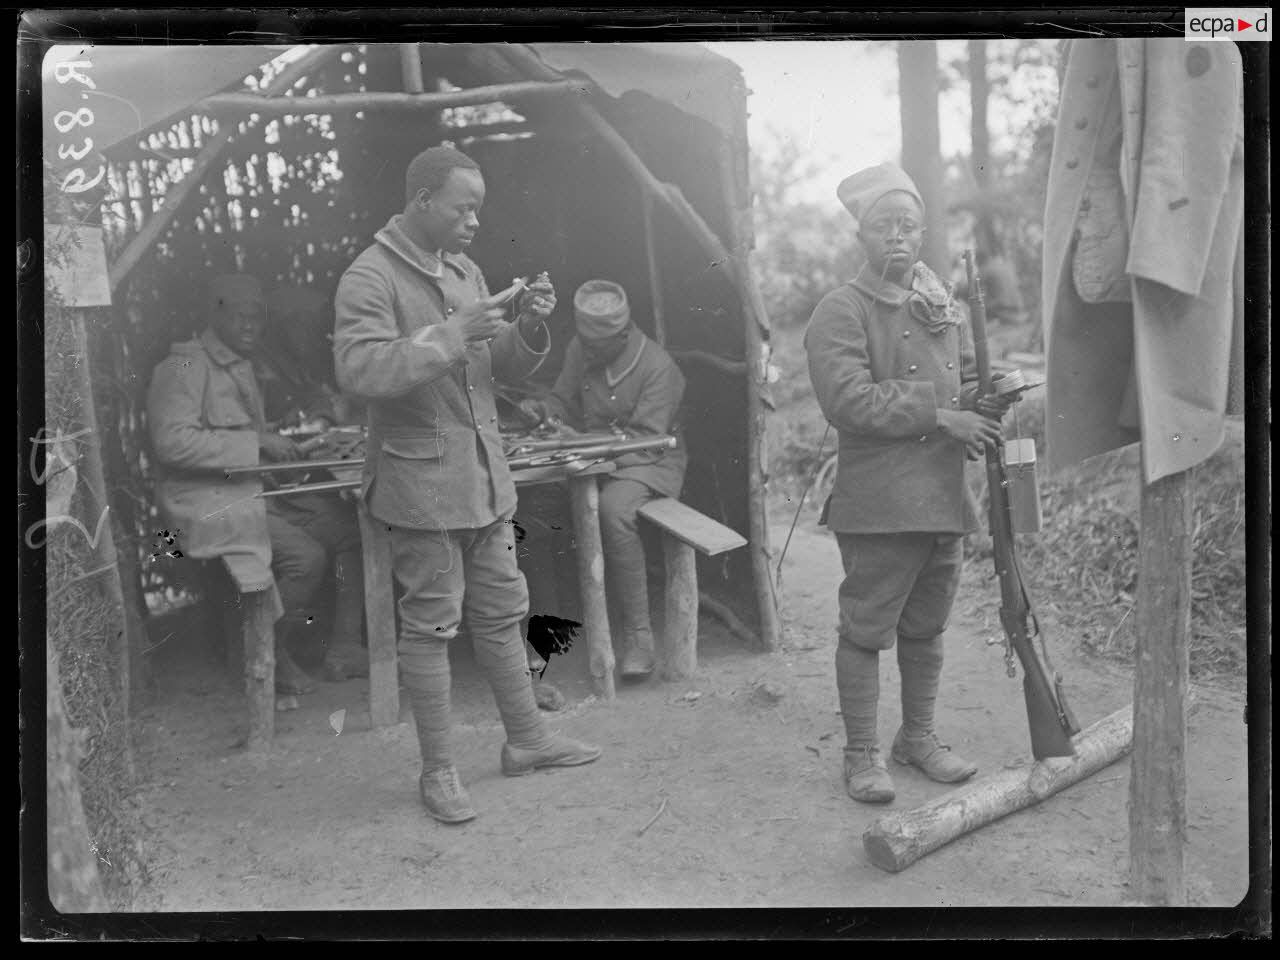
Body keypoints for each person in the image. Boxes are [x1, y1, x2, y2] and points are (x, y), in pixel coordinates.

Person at [333, 144, 601, 825]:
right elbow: (361, 372)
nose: (475, 220)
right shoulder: (370, 277)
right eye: (463, 207)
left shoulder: (464, 269)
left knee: (504, 611)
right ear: (421, 201)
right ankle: (439, 771)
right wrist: (450, 332)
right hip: (420, 487)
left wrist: (527, 325)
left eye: (479, 208)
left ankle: (529, 740)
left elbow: (492, 367)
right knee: (429, 625)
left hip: (484, 480)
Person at [804, 163, 1012, 804]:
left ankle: (916, 738)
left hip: (945, 497)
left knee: (927, 627)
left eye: (908, 226)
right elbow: (848, 400)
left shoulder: (939, 304)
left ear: (922, 232)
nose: (897, 238)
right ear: (860, 236)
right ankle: (862, 754)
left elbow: (970, 374)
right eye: (882, 226)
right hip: (881, 503)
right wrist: (942, 415)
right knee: (866, 628)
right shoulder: (842, 310)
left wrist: (995, 388)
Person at [147, 273, 360, 695]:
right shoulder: (184, 366)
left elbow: (240, 436)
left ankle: (345, 647)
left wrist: (285, 438)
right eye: (238, 315)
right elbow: (172, 444)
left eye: (257, 317)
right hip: (205, 500)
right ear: (214, 314)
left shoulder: (241, 364)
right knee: (305, 558)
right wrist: (257, 442)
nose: (250, 326)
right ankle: (267, 655)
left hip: (250, 489)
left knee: (350, 535)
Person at [519, 279, 687, 680]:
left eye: (598, 346)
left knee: (613, 510)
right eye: (585, 343)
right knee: (533, 508)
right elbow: (562, 400)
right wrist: (542, 411)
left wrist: (582, 444)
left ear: (623, 333)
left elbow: (647, 441)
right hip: (591, 456)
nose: (588, 352)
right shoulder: (583, 347)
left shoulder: (658, 366)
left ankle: (639, 639)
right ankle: (548, 632)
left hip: (649, 461)